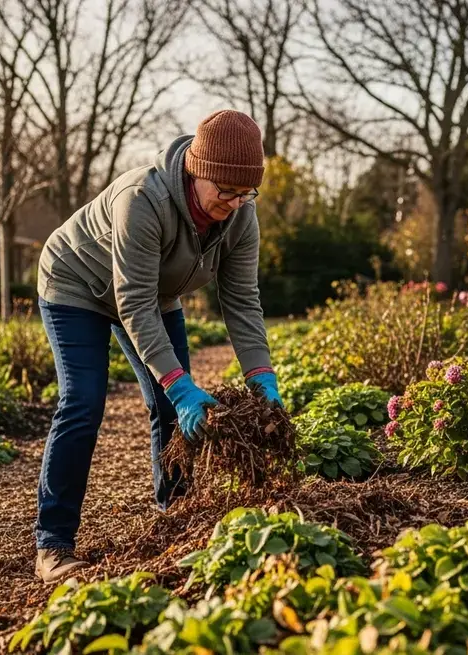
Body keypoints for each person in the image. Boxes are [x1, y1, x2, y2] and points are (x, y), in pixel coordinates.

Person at [31, 109, 284, 584]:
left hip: (152, 295)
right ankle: (53, 543)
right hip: (76, 284)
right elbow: (134, 304)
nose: (232, 202)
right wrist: (179, 384)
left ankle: (177, 518)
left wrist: (262, 379)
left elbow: (243, 303)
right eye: (224, 191)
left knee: (170, 412)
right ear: (196, 169)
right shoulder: (143, 199)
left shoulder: (240, 217)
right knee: (83, 401)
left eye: (244, 192)